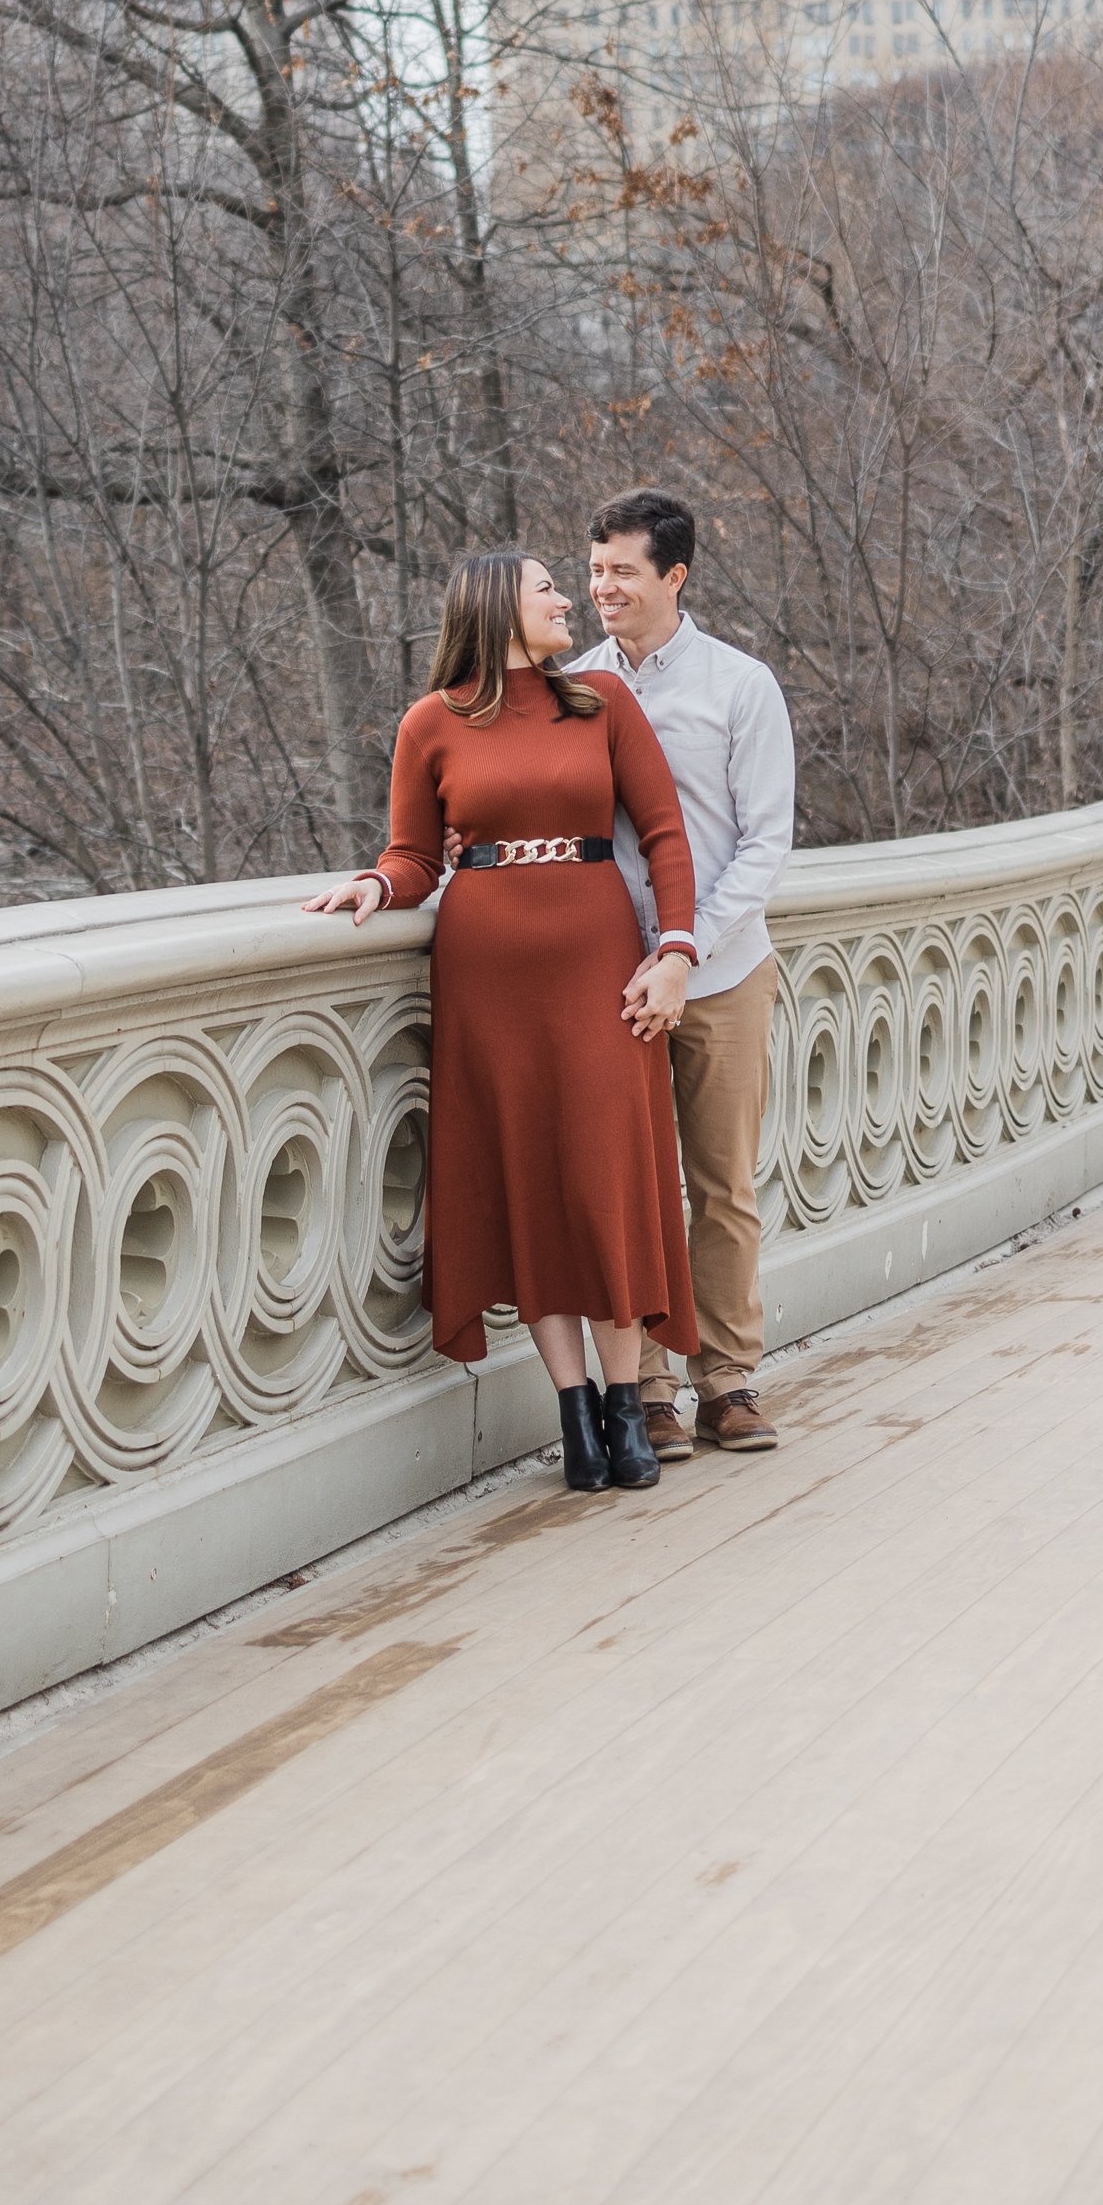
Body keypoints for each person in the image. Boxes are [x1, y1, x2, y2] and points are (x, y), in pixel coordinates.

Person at [302, 547, 703, 1493]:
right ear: (494, 608)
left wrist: (676, 948)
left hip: (599, 968)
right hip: (485, 975)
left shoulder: (604, 705)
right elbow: (411, 854)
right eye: (546, 590)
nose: (568, 599)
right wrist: (373, 883)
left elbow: (663, 834)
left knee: (603, 1178)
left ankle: (623, 1402)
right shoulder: (428, 724)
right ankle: (573, 1418)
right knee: (527, 1179)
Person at [571, 488, 797, 1460]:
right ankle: (647, 1391)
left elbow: (764, 843)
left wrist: (683, 947)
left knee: (721, 1184)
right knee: (627, 1189)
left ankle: (728, 1380)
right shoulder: (570, 685)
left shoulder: (739, 685)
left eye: (621, 569)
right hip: (604, 982)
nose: (601, 587)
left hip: (719, 971)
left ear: (674, 575)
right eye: (592, 570)